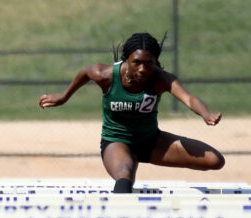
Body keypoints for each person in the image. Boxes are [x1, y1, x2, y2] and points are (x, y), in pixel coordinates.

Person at [39, 32, 224, 193]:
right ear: (126, 59)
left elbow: (189, 98)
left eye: (149, 63)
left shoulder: (161, 79)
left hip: (152, 142)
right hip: (117, 141)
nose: (143, 69)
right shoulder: (106, 75)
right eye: (137, 63)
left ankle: (136, 157)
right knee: (125, 173)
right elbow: (86, 72)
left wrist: (206, 114)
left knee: (215, 160)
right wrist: (64, 96)